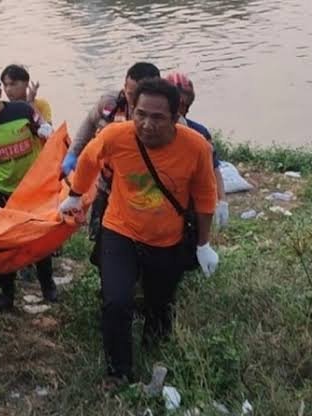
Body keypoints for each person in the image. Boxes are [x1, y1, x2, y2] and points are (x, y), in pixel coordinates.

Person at [58, 78, 219, 382]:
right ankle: (119, 372)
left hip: (166, 239)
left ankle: (154, 348)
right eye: (140, 114)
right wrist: (75, 195)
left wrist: (203, 244)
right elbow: (90, 159)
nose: (146, 124)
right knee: (116, 301)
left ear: (176, 116)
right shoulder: (116, 136)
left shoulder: (196, 147)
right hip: (120, 230)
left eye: (157, 117)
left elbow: (205, 197)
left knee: (159, 305)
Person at [0, 65, 56, 311]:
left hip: (31, 186)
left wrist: (47, 130)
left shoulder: (22, 111)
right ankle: (7, 294)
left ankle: (47, 286)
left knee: (38, 236)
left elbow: (43, 129)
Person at [61, 62, 161, 266]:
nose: (132, 99)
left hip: (144, 190)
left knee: (146, 242)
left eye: (137, 94)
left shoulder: (165, 116)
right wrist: (73, 154)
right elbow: (88, 124)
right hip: (108, 187)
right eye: (129, 92)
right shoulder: (110, 104)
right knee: (103, 241)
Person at [165, 71, 228, 228]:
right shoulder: (147, 132)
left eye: (185, 106)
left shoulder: (199, 133)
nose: (181, 110)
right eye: (178, 105)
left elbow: (213, 167)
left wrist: (222, 201)